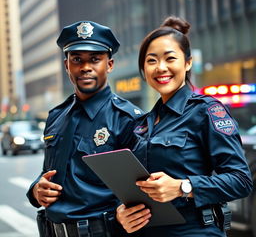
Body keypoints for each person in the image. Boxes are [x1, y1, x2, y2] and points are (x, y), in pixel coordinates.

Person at [116, 16, 253, 237]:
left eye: (170, 58)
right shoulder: (142, 123)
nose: (161, 68)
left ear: (187, 63)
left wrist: (183, 187)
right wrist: (123, 212)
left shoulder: (207, 111)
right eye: (151, 61)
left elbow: (241, 181)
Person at [26, 20, 143, 237]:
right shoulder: (55, 117)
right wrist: (36, 189)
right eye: (77, 59)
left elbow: (140, 191)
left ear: (109, 64)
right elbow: (48, 172)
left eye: (95, 59)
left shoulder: (127, 119)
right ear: (66, 65)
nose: (85, 67)